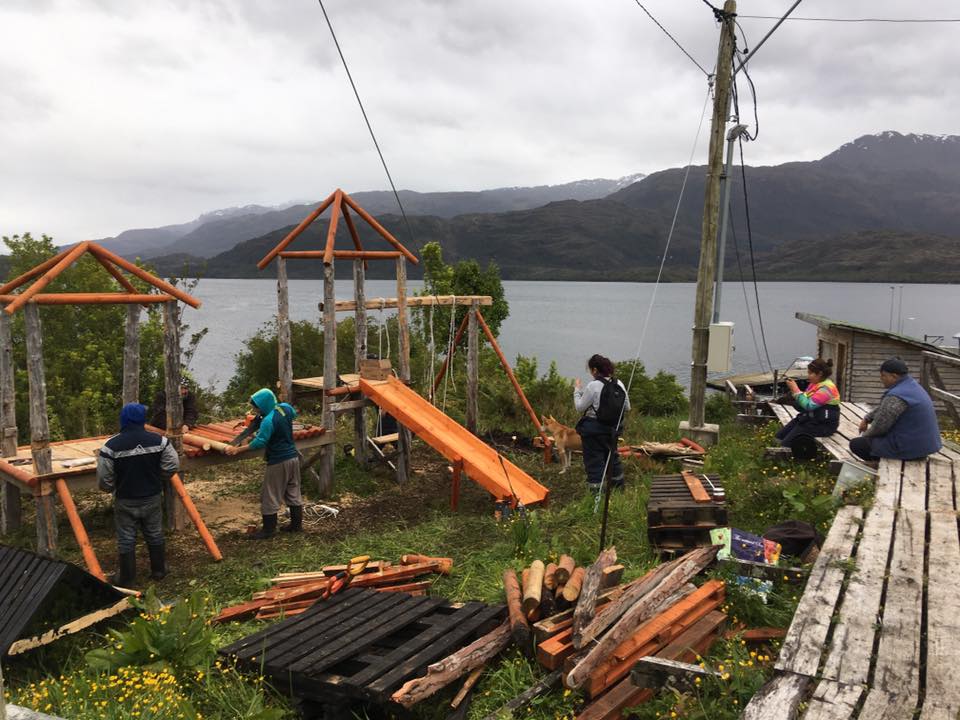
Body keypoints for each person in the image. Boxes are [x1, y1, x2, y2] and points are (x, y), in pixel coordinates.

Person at [97, 402, 179, 586]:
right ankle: (159, 570)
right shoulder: (160, 441)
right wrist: (157, 478)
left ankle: (126, 578)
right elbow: (172, 465)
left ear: (123, 419)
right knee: (155, 533)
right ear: (142, 419)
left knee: (126, 537)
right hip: (152, 497)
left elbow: (104, 479)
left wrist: (112, 488)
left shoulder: (110, 446)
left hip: (125, 499)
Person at [225, 388, 303, 539]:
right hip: (293, 457)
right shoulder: (284, 408)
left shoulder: (268, 420)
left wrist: (238, 450)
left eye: (256, 407)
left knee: (270, 495)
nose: (255, 410)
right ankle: (296, 525)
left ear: (263, 405)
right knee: (293, 492)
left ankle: (268, 530)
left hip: (278, 461)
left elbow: (260, 442)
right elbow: (293, 414)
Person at [850, 358, 942, 462]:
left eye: (883, 375)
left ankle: (883, 463)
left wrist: (865, 437)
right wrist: (867, 419)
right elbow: (884, 408)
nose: (881, 378)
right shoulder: (912, 386)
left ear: (894, 376)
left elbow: (880, 427)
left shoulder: (896, 396)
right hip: (924, 446)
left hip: (910, 449)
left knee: (857, 444)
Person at [573, 354, 630, 493]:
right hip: (612, 431)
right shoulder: (619, 383)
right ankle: (618, 489)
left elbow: (579, 407)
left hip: (593, 432)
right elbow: (627, 407)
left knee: (594, 462)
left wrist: (577, 390)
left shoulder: (593, 385)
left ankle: (596, 495)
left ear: (594, 370)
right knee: (613, 459)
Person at [776, 358, 841, 455]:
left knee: (786, 445)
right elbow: (803, 402)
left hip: (823, 425)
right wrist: (793, 396)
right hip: (810, 420)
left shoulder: (827, 388)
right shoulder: (814, 384)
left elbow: (808, 406)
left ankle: (794, 462)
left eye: (810, 373)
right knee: (779, 437)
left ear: (819, 374)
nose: (808, 375)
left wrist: (796, 390)